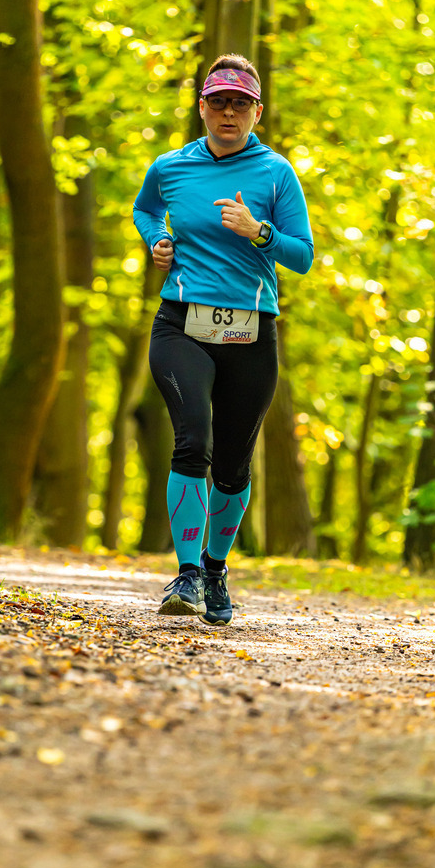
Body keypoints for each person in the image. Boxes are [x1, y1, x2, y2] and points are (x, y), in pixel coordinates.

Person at [133, 52, 313, 624]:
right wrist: (156, 241)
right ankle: (185, 576)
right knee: (192, 443)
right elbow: (144, 211)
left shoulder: (276, 174)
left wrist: (260, 232)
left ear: (257, 112)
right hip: (181, 322)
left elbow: (303, 256)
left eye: (240, 103)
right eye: (218, 102)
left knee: (233, 465)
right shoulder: (170, 167)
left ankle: (214, 568)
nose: (228, 112)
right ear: (202, 107)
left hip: (251, 331)